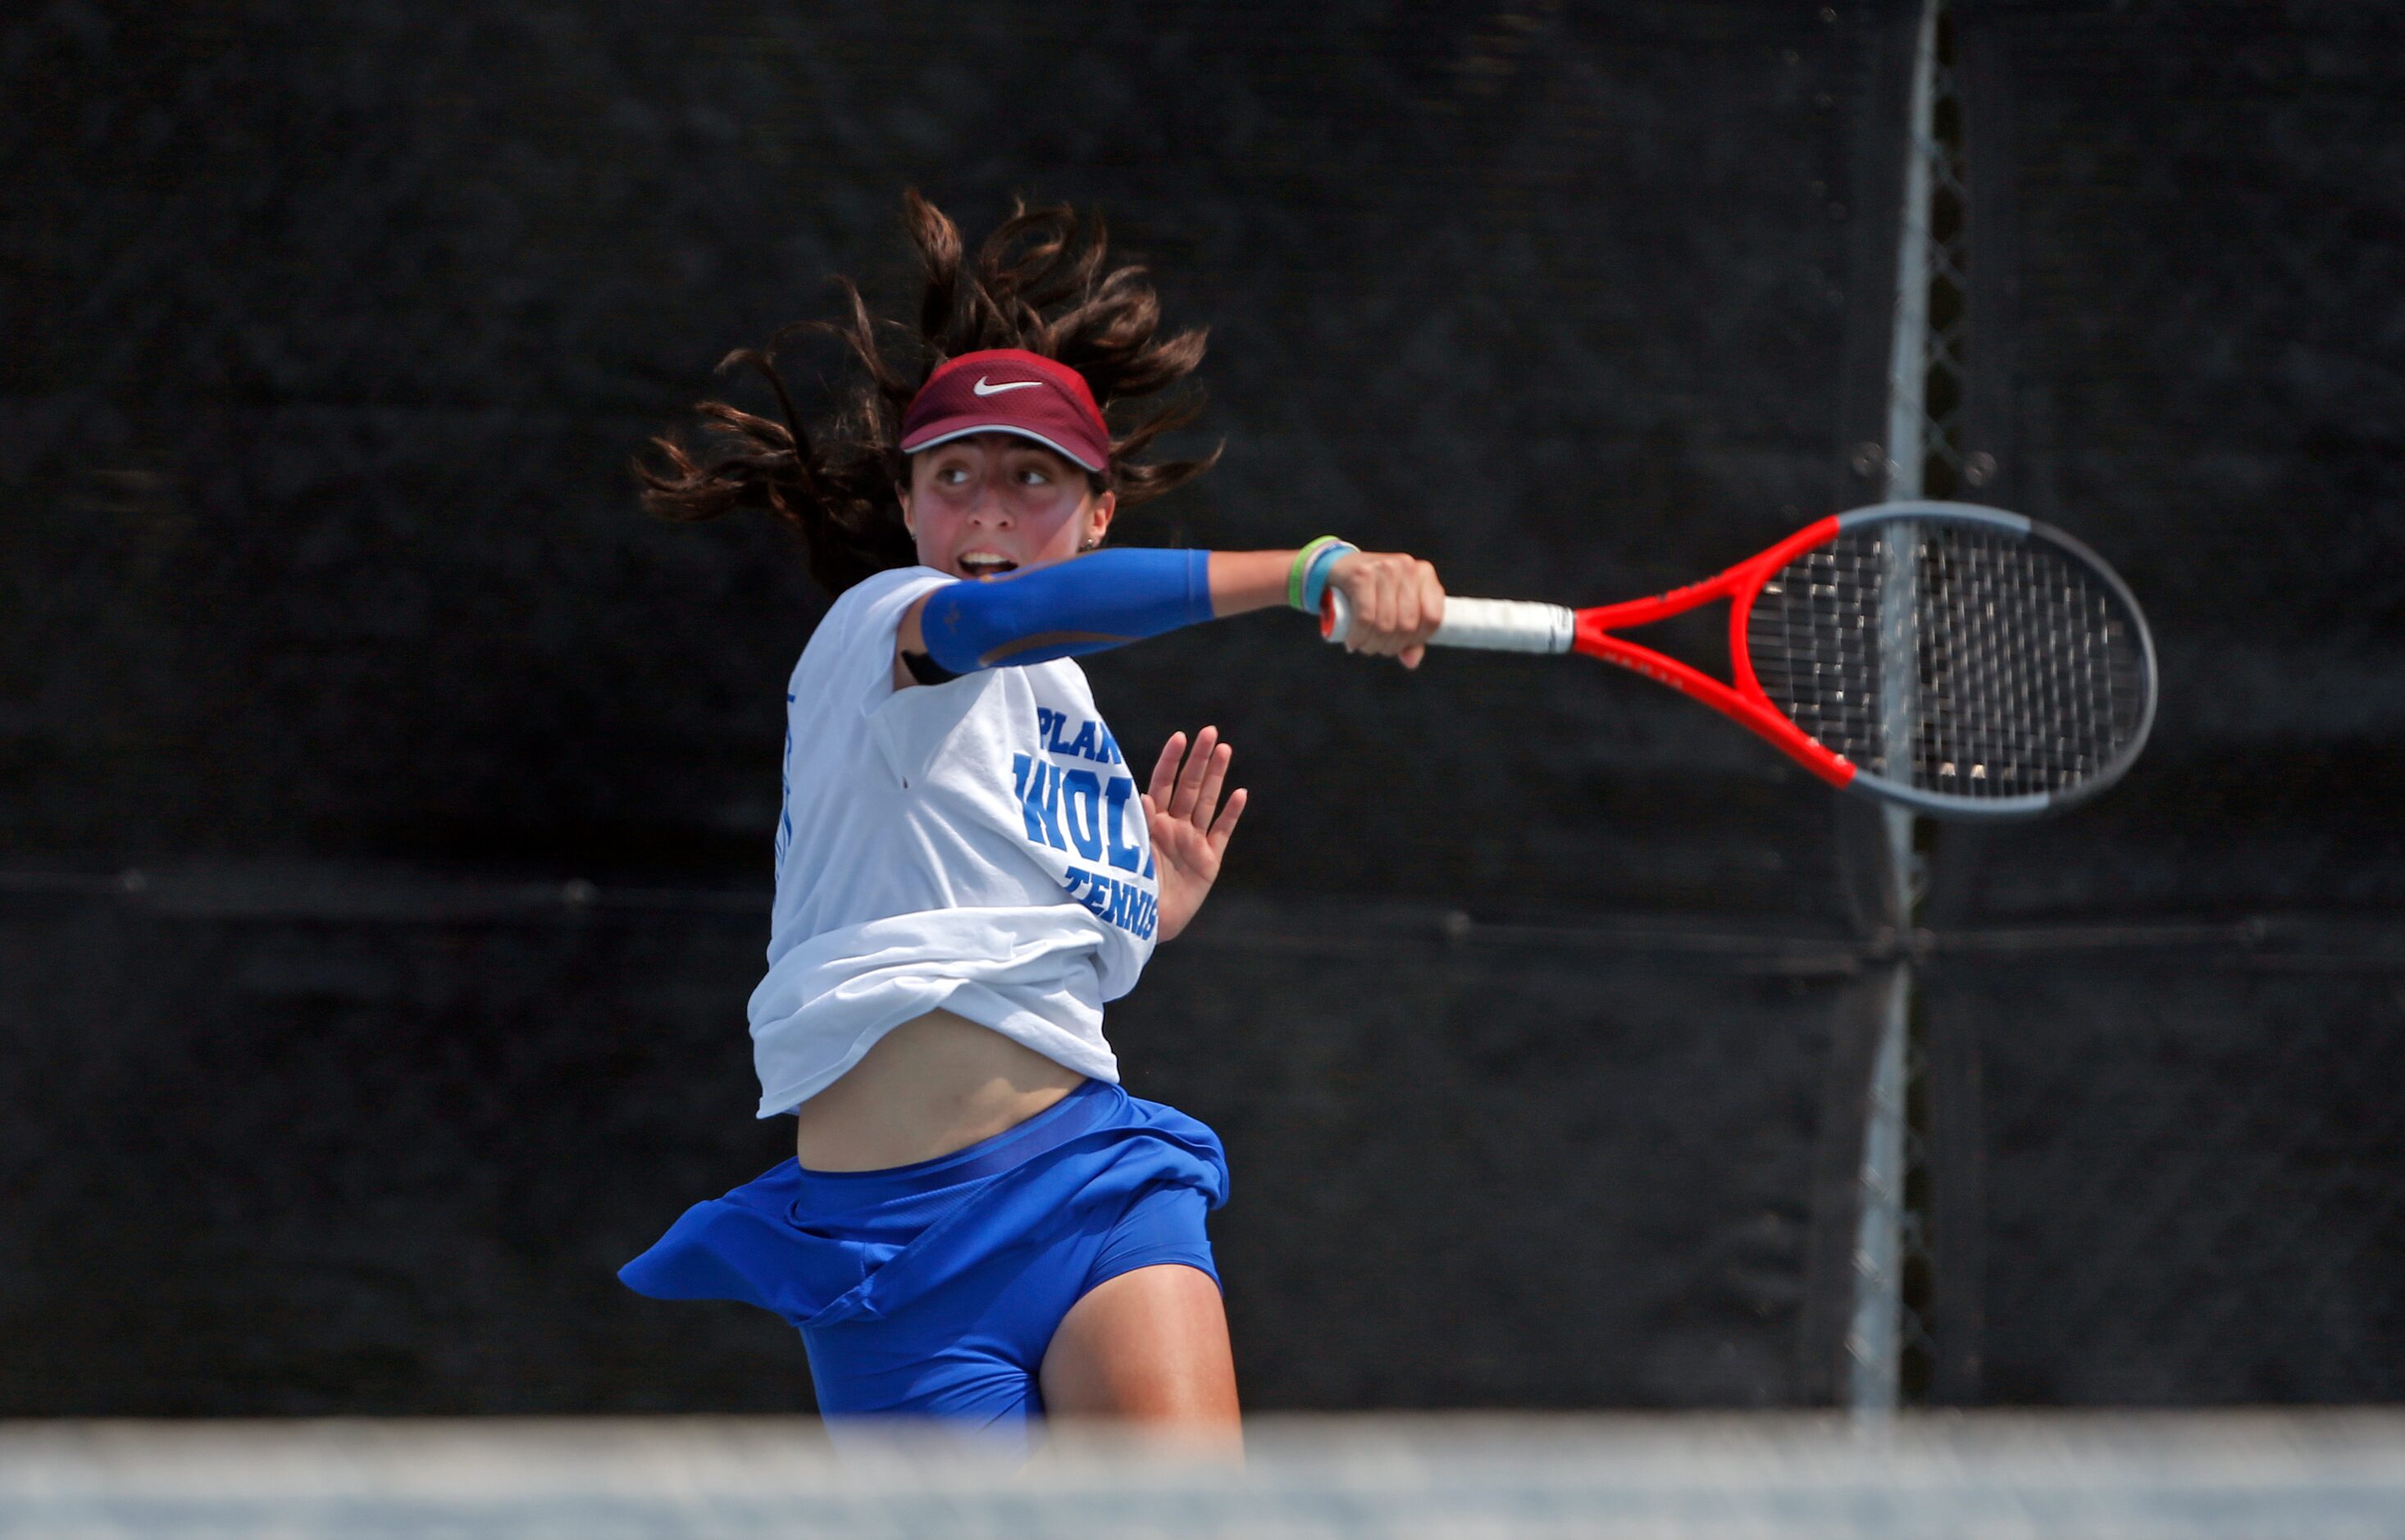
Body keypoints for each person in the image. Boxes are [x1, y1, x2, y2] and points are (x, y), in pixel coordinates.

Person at [619, 191, 1444, 1451]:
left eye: (1033, 478)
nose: (990, 510)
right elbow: (1009, 620)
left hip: (1094, 1186)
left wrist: (1137, 912)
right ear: (907, 508)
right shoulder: (886, 623)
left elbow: (1005, 960)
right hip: (891, 1239)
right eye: (954, 477)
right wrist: (1306, 569)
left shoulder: (1068, 722)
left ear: (1099, 510)